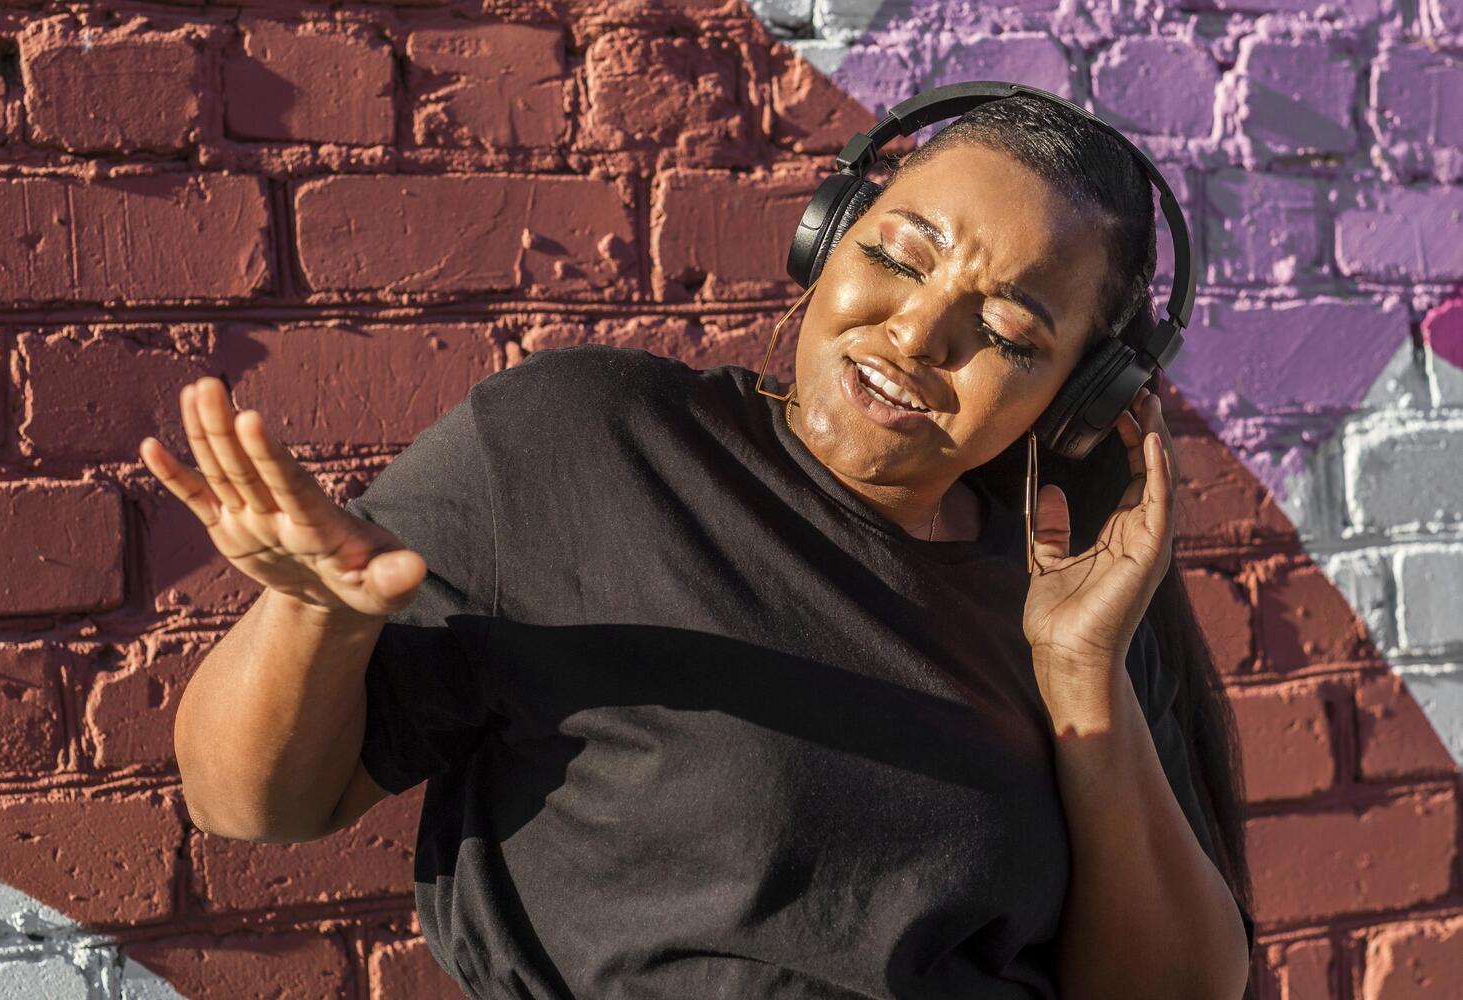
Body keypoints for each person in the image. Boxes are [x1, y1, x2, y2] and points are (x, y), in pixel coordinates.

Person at [142, 93, 1256, 999]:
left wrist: (1081, 678)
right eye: (900, 257)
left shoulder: (1066, 592)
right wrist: (317, 615)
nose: (918, 335)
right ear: (826, 235)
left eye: (1010, 331)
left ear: (1077, 398)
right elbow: (253, 805)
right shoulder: (585, 443)